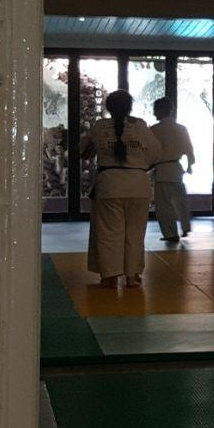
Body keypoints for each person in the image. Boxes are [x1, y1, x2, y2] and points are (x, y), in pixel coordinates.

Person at [80, 90, 161, 289]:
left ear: (108, 107)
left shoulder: (99, 127)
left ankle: (110, 276)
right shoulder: (140, 125)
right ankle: (132, 276)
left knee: (109, 233)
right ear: (129, 107)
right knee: (135, 232)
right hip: (137, 183)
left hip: (109, 184)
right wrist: (140, 165)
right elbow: (156, 153)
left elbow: (84, 153)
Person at [149, 96, 195, 243]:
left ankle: (170, 234)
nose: (154, 113)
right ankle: (186, 226)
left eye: (155, 110)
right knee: (181, 201)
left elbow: (149, 152)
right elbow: (189, 150)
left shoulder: (154, 130)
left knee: (164, 205)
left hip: (162, 170)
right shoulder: (181, 129)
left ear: (161, 110)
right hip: (176, 169)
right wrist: (190, 165)